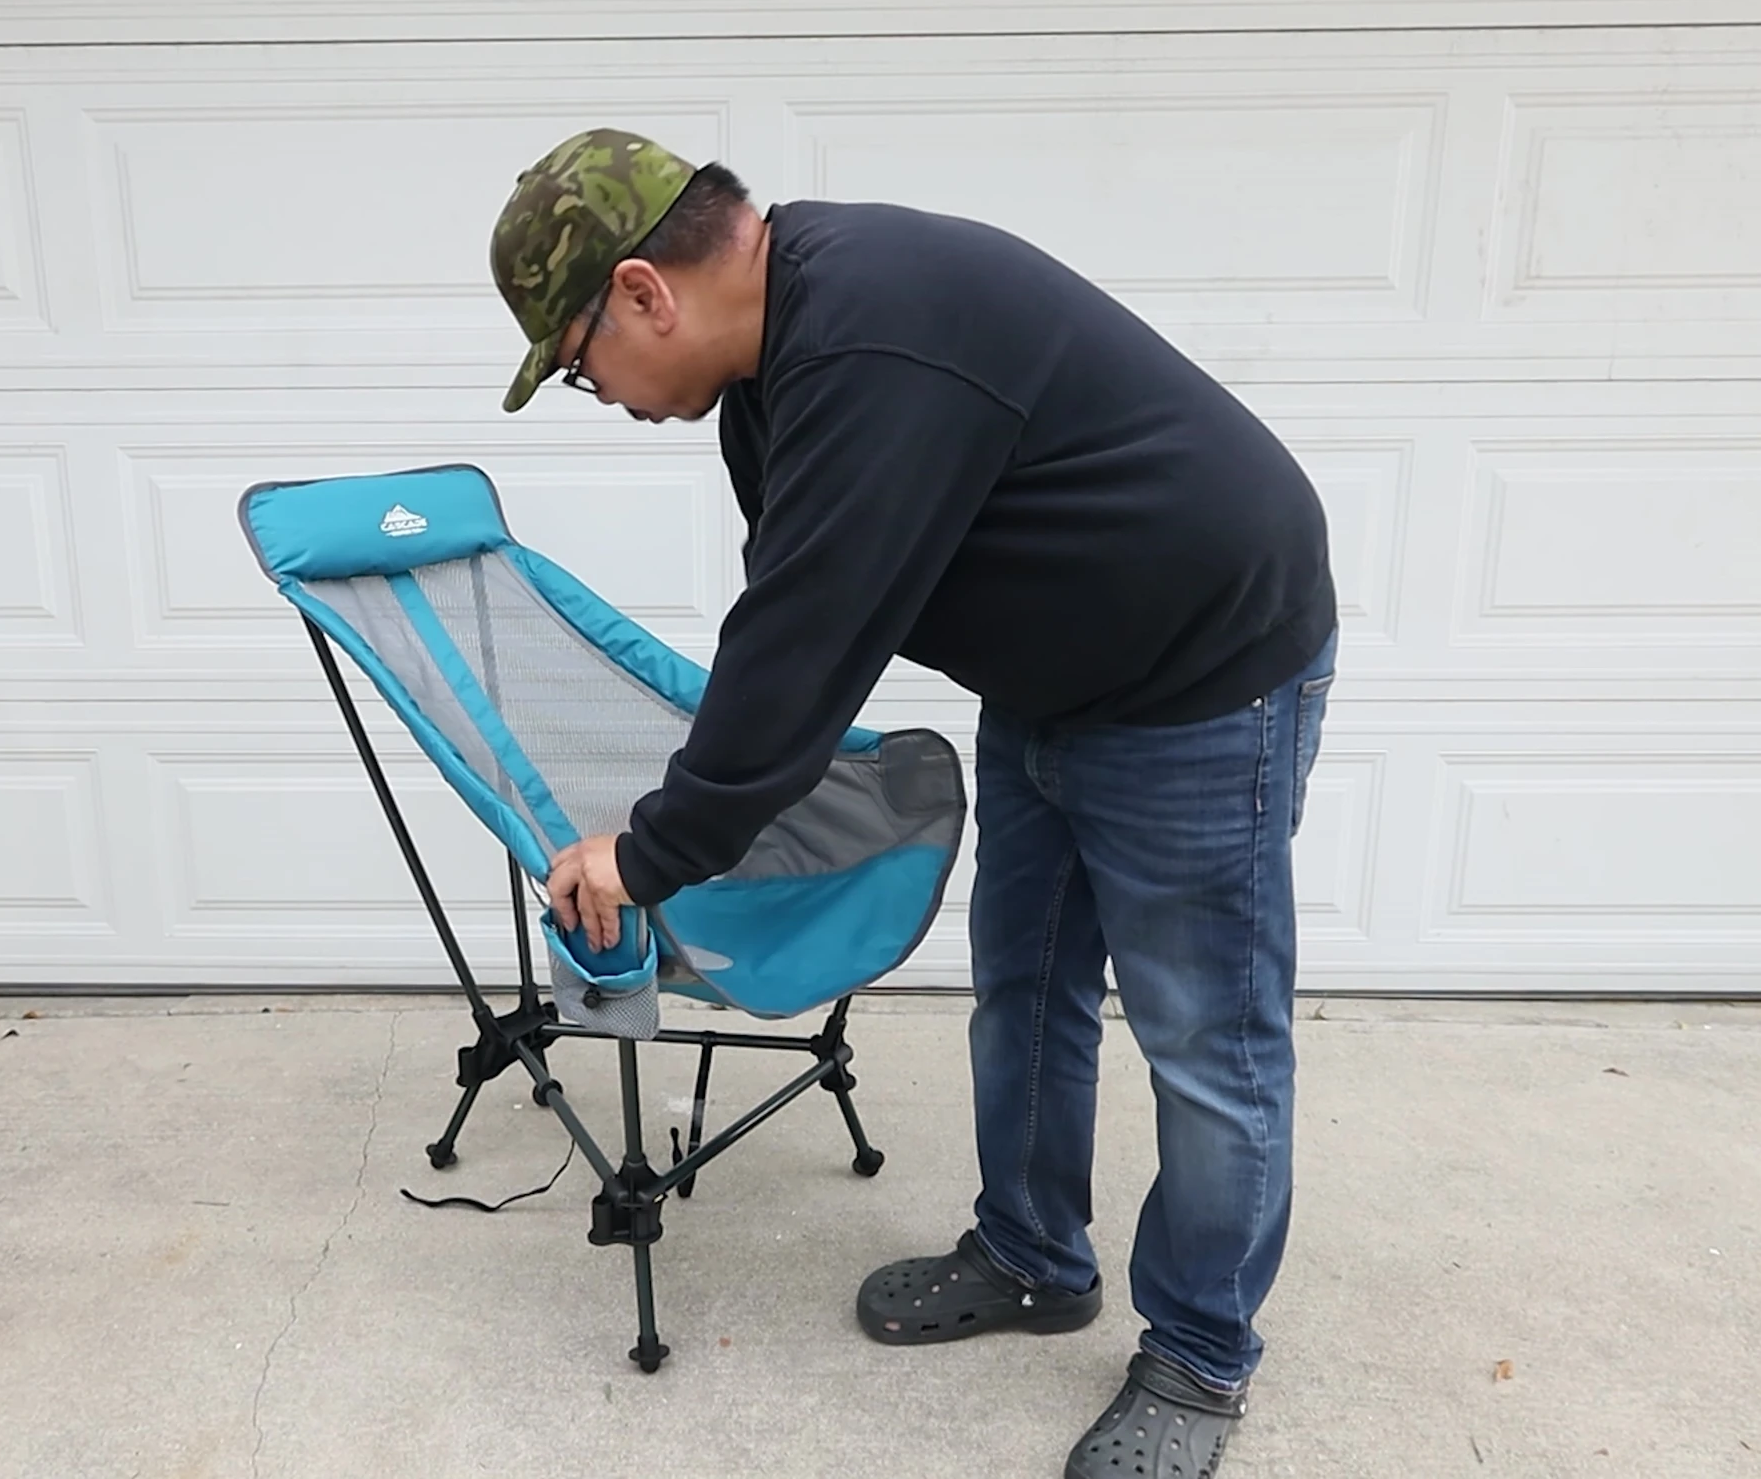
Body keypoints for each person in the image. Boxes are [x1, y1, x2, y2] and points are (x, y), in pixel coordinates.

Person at [490, 129, 1336, 1479]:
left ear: (647, 291)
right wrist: (706, 806)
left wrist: (652, 856)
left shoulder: (874, 340)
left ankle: (1201, 1356)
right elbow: (793, 614)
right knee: (1030, 984)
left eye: (585, 366)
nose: (603, 395)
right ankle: (1033, 1255)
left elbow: (814, 637)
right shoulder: (778, 362)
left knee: (1208, 1044)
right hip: (1058, 682)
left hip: (1202, 677)